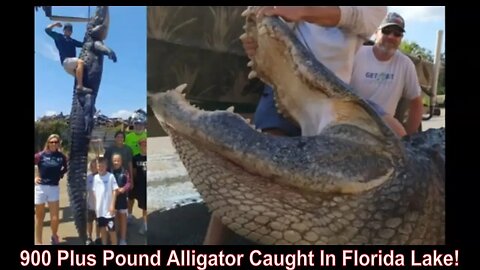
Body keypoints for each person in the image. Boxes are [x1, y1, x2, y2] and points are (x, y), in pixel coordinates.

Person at [202, 6, 388, 245]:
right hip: (285, 86)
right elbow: (274, 36)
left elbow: (356, 18)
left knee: (330, 180)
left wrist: (300, 11)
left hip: (332, 99)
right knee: (248, 163)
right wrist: (257, 47)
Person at [350, 12, 423, 136]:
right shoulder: (356, 54)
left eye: (397, 33)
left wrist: (410, 140)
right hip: (352, 123)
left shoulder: (405, 64)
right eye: (386, 30)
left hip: (384, 130)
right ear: (375, 32)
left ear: (401, 38)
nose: (391, 36)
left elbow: (416, 102)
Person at [34, 134, 68, 245]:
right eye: (51, 142)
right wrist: (35, 177)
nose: (53, 144)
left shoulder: (61, 156)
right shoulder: (40, 155)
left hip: (54, 188)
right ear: (48, 143)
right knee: (40, 217)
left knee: (55, 218)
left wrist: (60, 174)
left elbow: (66, 168)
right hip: (41, 188)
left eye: (55, 142)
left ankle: (54, 236)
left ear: (58, 143)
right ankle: (39, 242)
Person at [45, 21, 91, 94]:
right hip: (66, 62)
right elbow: (47, 30)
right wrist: (55, 24)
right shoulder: (59, 37)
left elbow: (84, 44)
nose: (69, 31)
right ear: (64, 30)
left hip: (71, 67)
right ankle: (80, 87)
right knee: (80, 62)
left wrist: (89, 35)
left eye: (70, 30)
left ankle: (81, 93)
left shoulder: (72, 41)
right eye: (67, 29)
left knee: (84, 78)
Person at [125, 110, 147, 222]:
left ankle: (145, 222)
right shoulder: (128, 137)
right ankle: (129, 215)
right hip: (130, 167)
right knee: (130, 195)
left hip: (142, 167)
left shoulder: (147, 135)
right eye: (136, 124)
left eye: (140, 124)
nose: (138, 126)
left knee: (144, 196)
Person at [92, 157, 118, 245]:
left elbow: (115, 191)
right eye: (99, 166)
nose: (100, 168)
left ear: (106, 166)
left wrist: (112, 205)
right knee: (102, 230)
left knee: (112, 231)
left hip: (109, 211)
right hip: (100, 211)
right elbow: (94, 191)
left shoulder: (110, 176)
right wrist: (96, 206)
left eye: (102, 166)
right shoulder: (95, 177)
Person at [111, 153, 132, 245]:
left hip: (122, 198)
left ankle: (123, 238)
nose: (116, 162)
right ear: (112, 161)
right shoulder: (109, 172)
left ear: (121, 161)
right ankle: (116, 236)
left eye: (118, 160)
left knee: (123, 218)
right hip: (112, 199)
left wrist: (123, 189)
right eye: (115, 160)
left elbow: (129, 183)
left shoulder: (125, 171)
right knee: (115, 219)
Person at [131, 137, 147, 235]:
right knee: (144, 207)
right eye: (142, 144)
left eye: (146, 144)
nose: (144, 145)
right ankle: (145, 225)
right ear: (139, 146)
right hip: (140, 186)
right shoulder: (135, 158)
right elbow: (134, 173)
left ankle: (146, 225)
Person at [86, 159, 100, 245]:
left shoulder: (102, 176)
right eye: (92, 166)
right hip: (90, 205)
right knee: (89, 222)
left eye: (95, 166)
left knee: (99, 223)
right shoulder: (88, 177)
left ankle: (98, 237)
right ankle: (89, 237)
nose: (93, 168)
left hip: (99, 207)